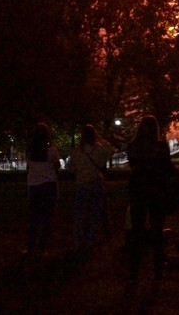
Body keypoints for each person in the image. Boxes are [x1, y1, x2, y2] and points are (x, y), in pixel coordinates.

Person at [126, 115, 172, 289]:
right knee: (157, 231)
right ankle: (158, 271)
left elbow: (133, 167)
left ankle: (133, 274)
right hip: (156, 192)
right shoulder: (161, 147)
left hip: (138, 192)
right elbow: (166, 169)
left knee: (136, 233)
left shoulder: (132, 147)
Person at [69, 124, 117, 249]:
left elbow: (71, 168)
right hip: (96, 183)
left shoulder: (76, 152)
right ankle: (91, 238)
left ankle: (78, 240)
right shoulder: (100, 150)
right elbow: (112, 150)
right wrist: (101, 140)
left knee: (80, 213)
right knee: (95, 213)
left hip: (81, 184)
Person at [25, 122, 61, 258]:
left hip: (34, 185)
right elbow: (57, 165)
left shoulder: (29, 150)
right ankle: (42, 247)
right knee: (46, 218)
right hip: (49, 185)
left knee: (34, 217)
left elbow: (29, 167)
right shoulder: (51, 150)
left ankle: (30, 246)